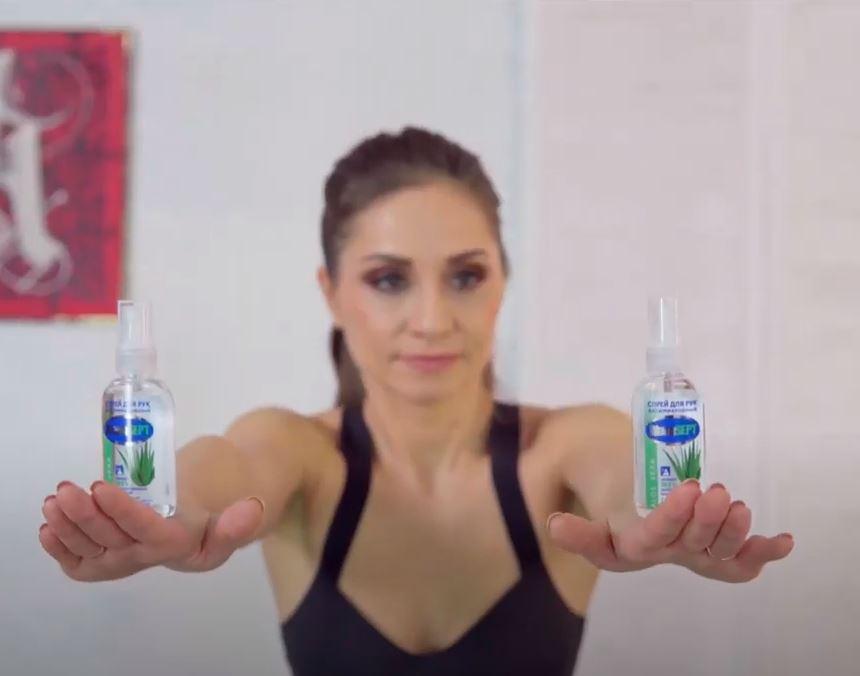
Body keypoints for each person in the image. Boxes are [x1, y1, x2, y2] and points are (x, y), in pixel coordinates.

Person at [39, 126, 795, 676]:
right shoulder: (300, 454)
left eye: (465, 276)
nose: (432, 320)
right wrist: (173, 510)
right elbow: (228, 464)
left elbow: (622, 477)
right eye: (389, 279)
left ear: (502, 283)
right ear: (331, 293)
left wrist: (654, 515)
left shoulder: (564, 447)